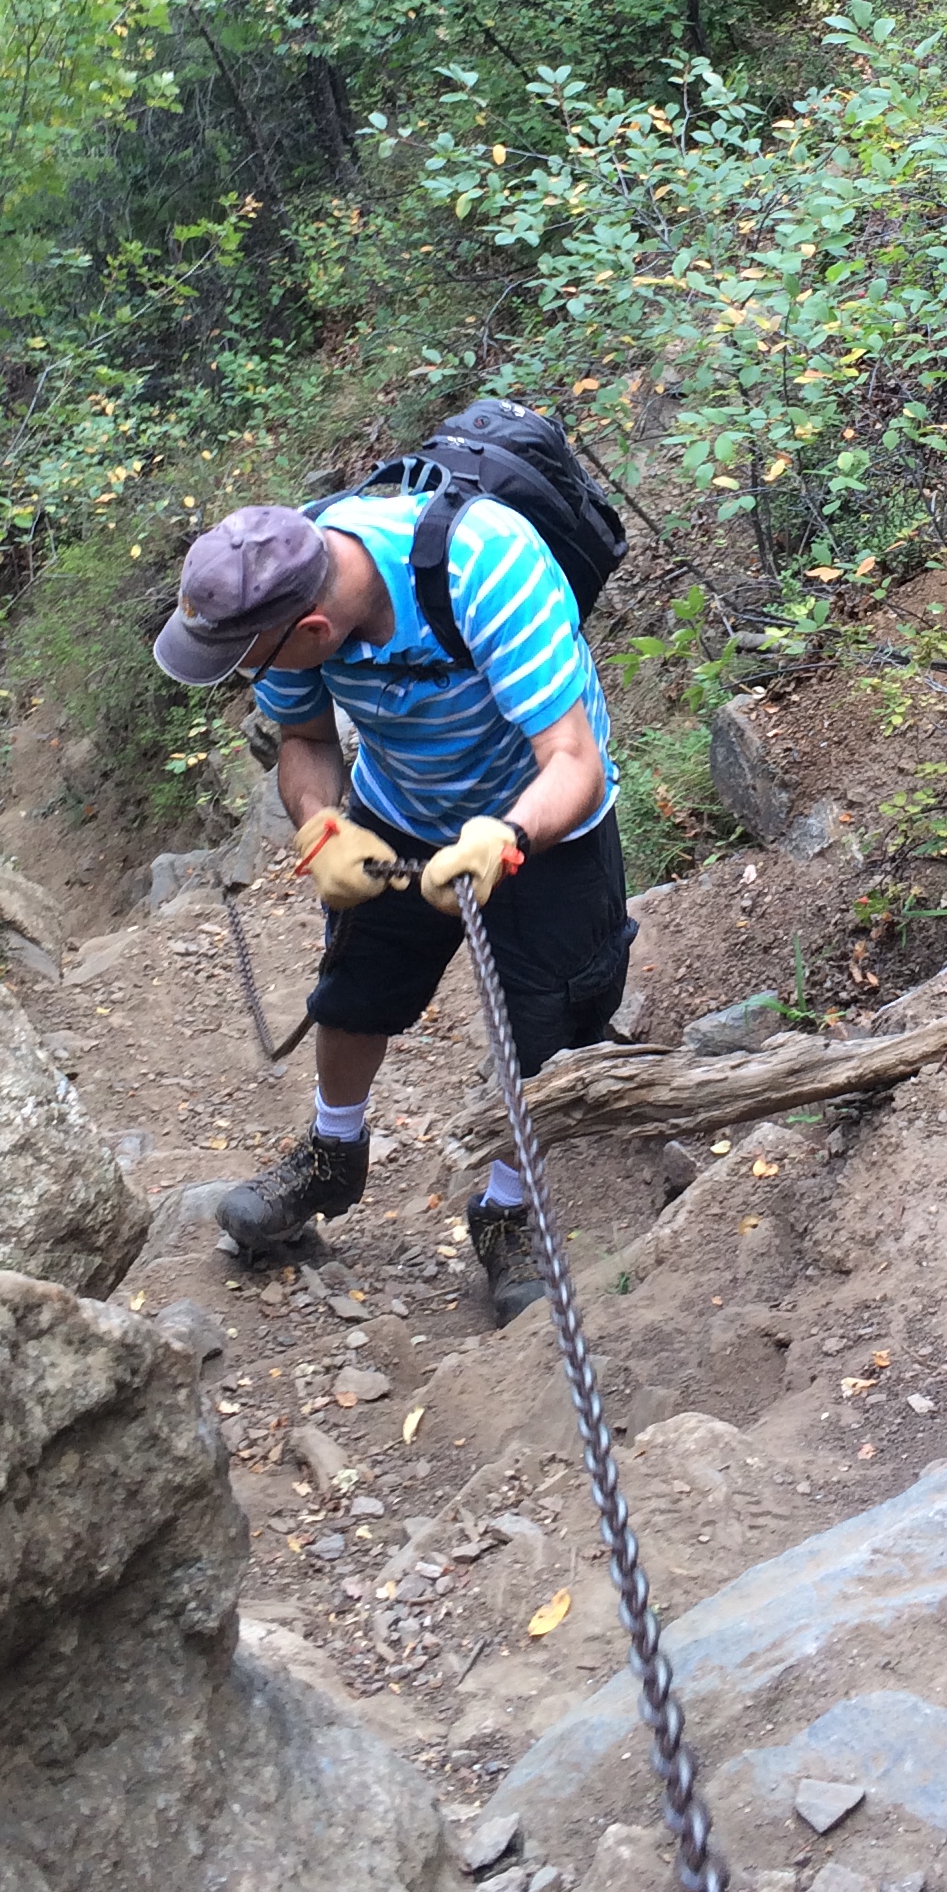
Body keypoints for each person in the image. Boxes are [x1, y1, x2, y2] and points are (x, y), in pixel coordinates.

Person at [151, 495, 631, 1322]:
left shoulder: (490, 572)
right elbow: (305, 742)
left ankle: (507, 1208)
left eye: (249, 662)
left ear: (312, 630)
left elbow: (573, 759)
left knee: (546, 1019)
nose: (244, 675)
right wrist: (322, 829)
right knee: (357, 988)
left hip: (541, 814)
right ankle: (334, 1152)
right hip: (401, 803)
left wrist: (506, 839)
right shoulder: (283, 591)